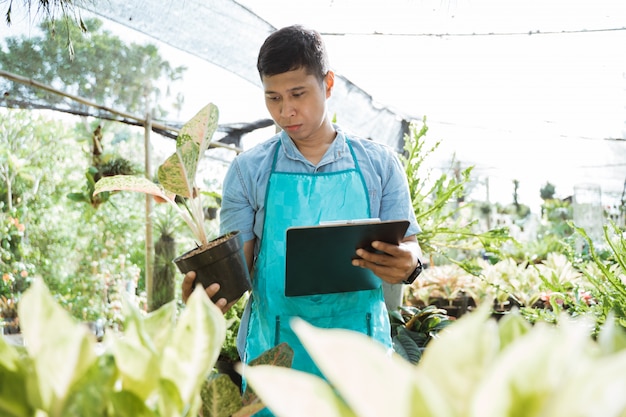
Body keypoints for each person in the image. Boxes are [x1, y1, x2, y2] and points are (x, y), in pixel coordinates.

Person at [182, 24, 422, 380]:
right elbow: (239, 271)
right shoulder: (249, 170)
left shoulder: (380, 164)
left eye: (298, 94)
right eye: (273, 97)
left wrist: (410, 266)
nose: (286, 111)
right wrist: (207, 297)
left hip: (361, 353)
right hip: (277, 353)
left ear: (327, 84)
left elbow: (410, 250)